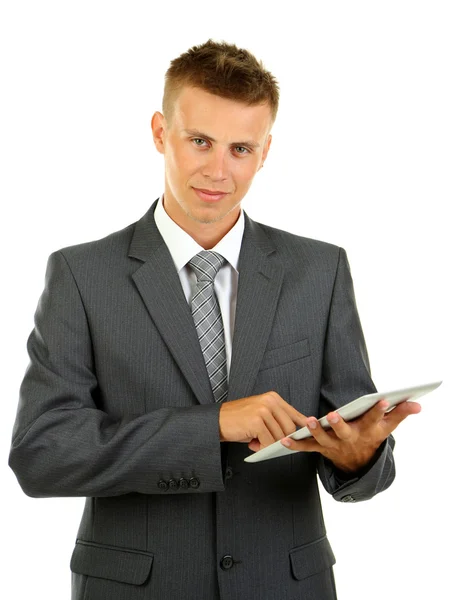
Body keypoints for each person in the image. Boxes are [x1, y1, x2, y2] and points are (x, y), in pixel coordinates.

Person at [8, 39, 420, 600]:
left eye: (240, 149)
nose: (218, 170)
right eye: (199, 141)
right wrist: (213, 425)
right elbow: (43, 454)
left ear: (266, 151)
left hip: (286, 586)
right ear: (159, 132)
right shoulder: (83, 275)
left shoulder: (319, 271)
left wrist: (359, 458)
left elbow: (352, 444)